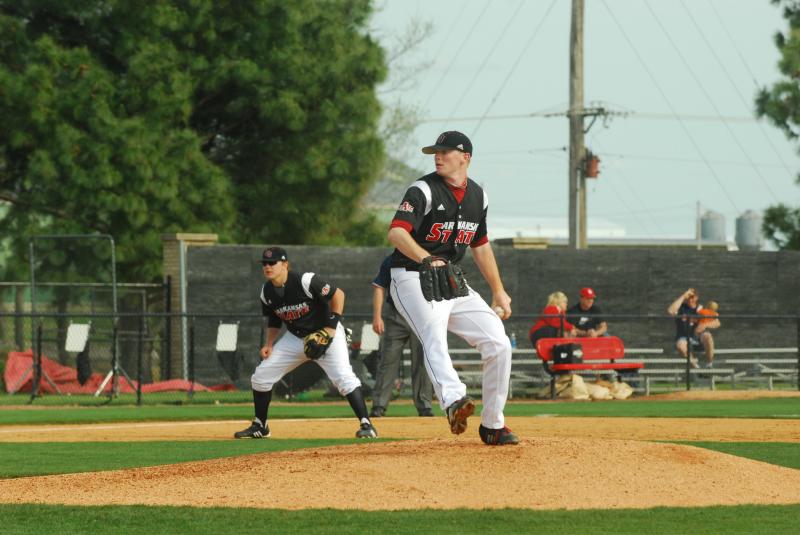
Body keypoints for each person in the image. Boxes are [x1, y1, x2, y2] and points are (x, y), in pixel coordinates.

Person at [386, 130, 519, 446]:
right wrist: (426, 258)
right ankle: (454, 400)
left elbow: (480, 245)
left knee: (499, 343)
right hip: (411, 276)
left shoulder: (478, 197)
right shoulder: (423, 190)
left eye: (445, 151)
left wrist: (498, 290)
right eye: (436, 151)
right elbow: (396, 234)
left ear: (465, 158)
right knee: (433, 330)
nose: (438, 156)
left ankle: (493, 425)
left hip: (451, 280)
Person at [234, 247, 378, 439]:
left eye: (273, 262)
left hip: (325, 333)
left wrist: (330, 330)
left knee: (344, 378)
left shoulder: (305, 280)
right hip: (295, 338)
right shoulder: (266, 292)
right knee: (261, 377)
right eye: (265, 263)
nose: (268, 266)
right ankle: (261, 426)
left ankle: (367, 424)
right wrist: (269, 344)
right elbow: (274, 319)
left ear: (285, 265)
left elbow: (338, 295)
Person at [370, 254, 435, 417]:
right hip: (396, 315)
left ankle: (424, 405)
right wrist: (377, 317)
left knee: (423, 362)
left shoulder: (426, 259)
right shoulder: (392, 260)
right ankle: (379, 405)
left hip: (422, 314)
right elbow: (379, 287)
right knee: (387, 360)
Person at [667, 288, 721, 368]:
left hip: (698, 337)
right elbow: (670, 311)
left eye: (692, 297)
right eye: (688, 297)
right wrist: (683, 296)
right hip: (683, 337)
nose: (690, 299)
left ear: (697, 297)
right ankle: (696, 367)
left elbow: (717, 322)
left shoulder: (701, 309)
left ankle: (709, 364)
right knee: (680, 346)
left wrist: (706, 325)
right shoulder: (681, 308)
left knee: (707, 335)